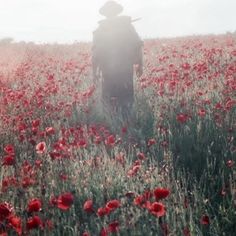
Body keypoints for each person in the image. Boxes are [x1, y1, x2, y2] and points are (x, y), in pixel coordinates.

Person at [92, 1, 143, 115]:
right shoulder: (127, 26)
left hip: (108, 71)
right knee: (126, 98)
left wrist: (94, 73)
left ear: (104, 14)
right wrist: (140, 64)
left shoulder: (99, 30)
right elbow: (138, 45)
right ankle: (126, 124)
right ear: (117, 12)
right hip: (125, 68)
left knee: (110, 100)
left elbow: (95, 54)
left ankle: (113, 125)